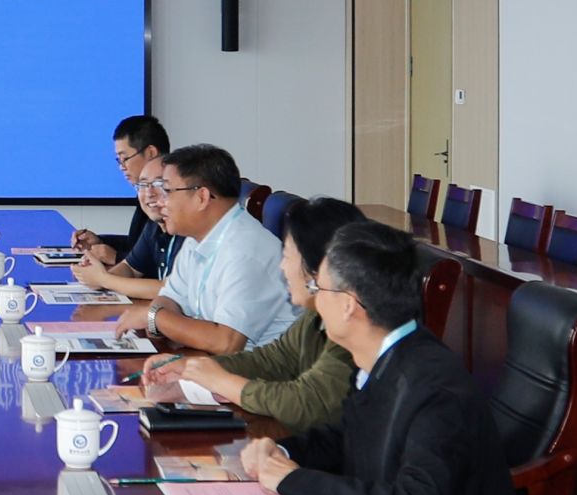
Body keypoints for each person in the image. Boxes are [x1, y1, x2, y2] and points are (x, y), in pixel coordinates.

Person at [242, 221, 533, 495]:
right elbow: (345, 438)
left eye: (318, 288)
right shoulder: (383, 357)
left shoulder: (434, 390)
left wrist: (295, 481)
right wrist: (282, 451)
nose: (313, 299)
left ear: (348, 304)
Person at [145, 197, 363, 433]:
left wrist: (221, 381)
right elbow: (271, 361)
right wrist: (190, 368)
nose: (282, 267)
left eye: (288, 256)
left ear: (319, 267)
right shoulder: (314, 317)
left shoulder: (352, 327)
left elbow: (304, 402)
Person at [115, 144, 297, 354]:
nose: (161, 202)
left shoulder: (246, 250)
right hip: (210, 360)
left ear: (201, 197)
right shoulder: (196, 238)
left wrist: (155, 318)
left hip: (259, 370)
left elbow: (226, 343)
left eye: (167, 191)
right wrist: (157, 320)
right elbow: (171, 298)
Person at [73, 154, 183, 301]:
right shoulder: (153, 225)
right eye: (142, 185)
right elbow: (130, 268)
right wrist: (95, 276)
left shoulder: (189, 231)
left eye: (159, 184)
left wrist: (104, 279)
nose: (149, 193)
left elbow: (169, 290)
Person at [71, 114, 167, 263]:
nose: (122, 167)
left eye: (125, 159)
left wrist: (116, 257)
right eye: (119, 160)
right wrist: (100, 242)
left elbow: (163, 263)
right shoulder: (146, 192)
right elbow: (139, 245)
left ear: (151, 153)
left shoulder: (169, 197)